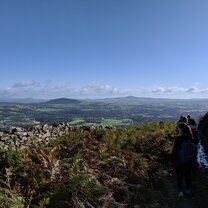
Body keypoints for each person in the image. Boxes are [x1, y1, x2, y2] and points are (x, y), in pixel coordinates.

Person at [170, 122, 197, 198]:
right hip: (189, 160)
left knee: (179, 176)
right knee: (187, 175)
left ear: (181, 129)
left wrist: (171, 160)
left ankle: (180, 192)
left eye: (178, 128)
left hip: (179, 161)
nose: (177, 129)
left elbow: (174, 151)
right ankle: (188, 190)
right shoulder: (190, 138)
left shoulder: (178, 138)